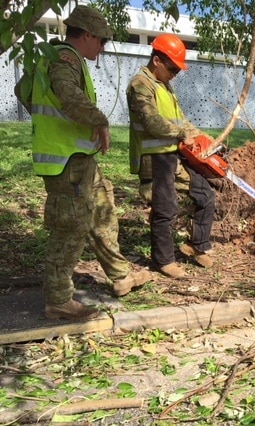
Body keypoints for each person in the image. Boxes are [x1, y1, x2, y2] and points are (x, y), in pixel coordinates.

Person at [13, 5, 154, 322]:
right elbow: (65, 92)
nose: (102, 47)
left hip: (79, 157)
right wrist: (99, 120)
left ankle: (120, 275)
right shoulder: (65, 57)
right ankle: (59, 300)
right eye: (101, 41)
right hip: (66, 160)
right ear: (87, 35)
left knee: (102, 212)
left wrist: (49, 115)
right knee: (70, 228)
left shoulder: (47, 57)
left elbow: (21, 89)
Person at [127, 33, 220, 279]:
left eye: (177, 71)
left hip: (174, 156)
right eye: (172, 69)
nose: (175, 74)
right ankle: (164, 260)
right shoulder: (140, 85)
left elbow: (182, 122)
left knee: (205, 194)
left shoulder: (165, 85)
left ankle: (197, 246)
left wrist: (203, 139)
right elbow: (151, 121)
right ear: (157, 60)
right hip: (154, 157)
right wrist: (181, 134)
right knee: (165, 208)